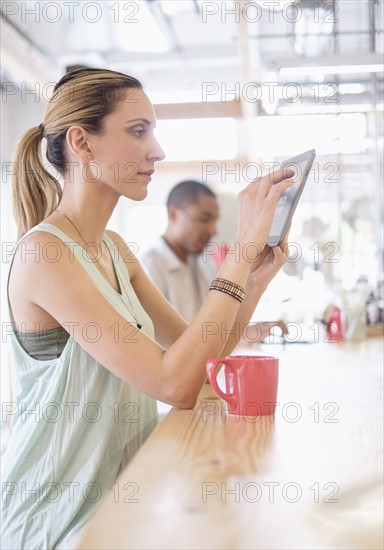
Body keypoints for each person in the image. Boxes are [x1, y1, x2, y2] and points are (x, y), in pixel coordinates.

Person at [1, 67, 293, 549]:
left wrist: (253, 280)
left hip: (123, 502)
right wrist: (239, 251)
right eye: (139, 131)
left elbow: (199, 363)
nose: (157, 151)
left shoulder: (114, 248)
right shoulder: (44, 255)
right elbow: (173, 384)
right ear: (82, 143)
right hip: (60, 521)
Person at [140, 180, 219, 322]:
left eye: (214, 221)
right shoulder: (149, 268)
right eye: (204, 219)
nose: (213, 230)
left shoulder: (202, 264)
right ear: (173, 214)